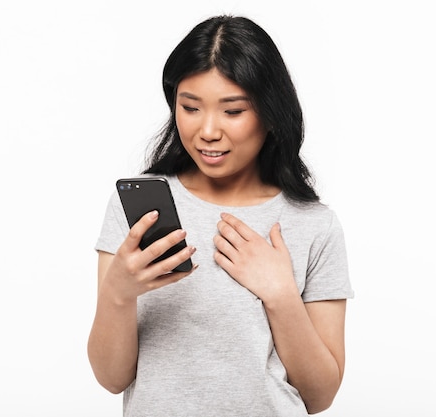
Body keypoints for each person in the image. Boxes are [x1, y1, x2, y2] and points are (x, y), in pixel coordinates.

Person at [88, 14, 354, 416]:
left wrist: (280, 295)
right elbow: (111, 378)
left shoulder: (314, 225)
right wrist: (118, 294)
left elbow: (320, 397)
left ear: (270, 113)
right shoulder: (137, 210)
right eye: (190, 107)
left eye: (233, 111)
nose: (207, 130)